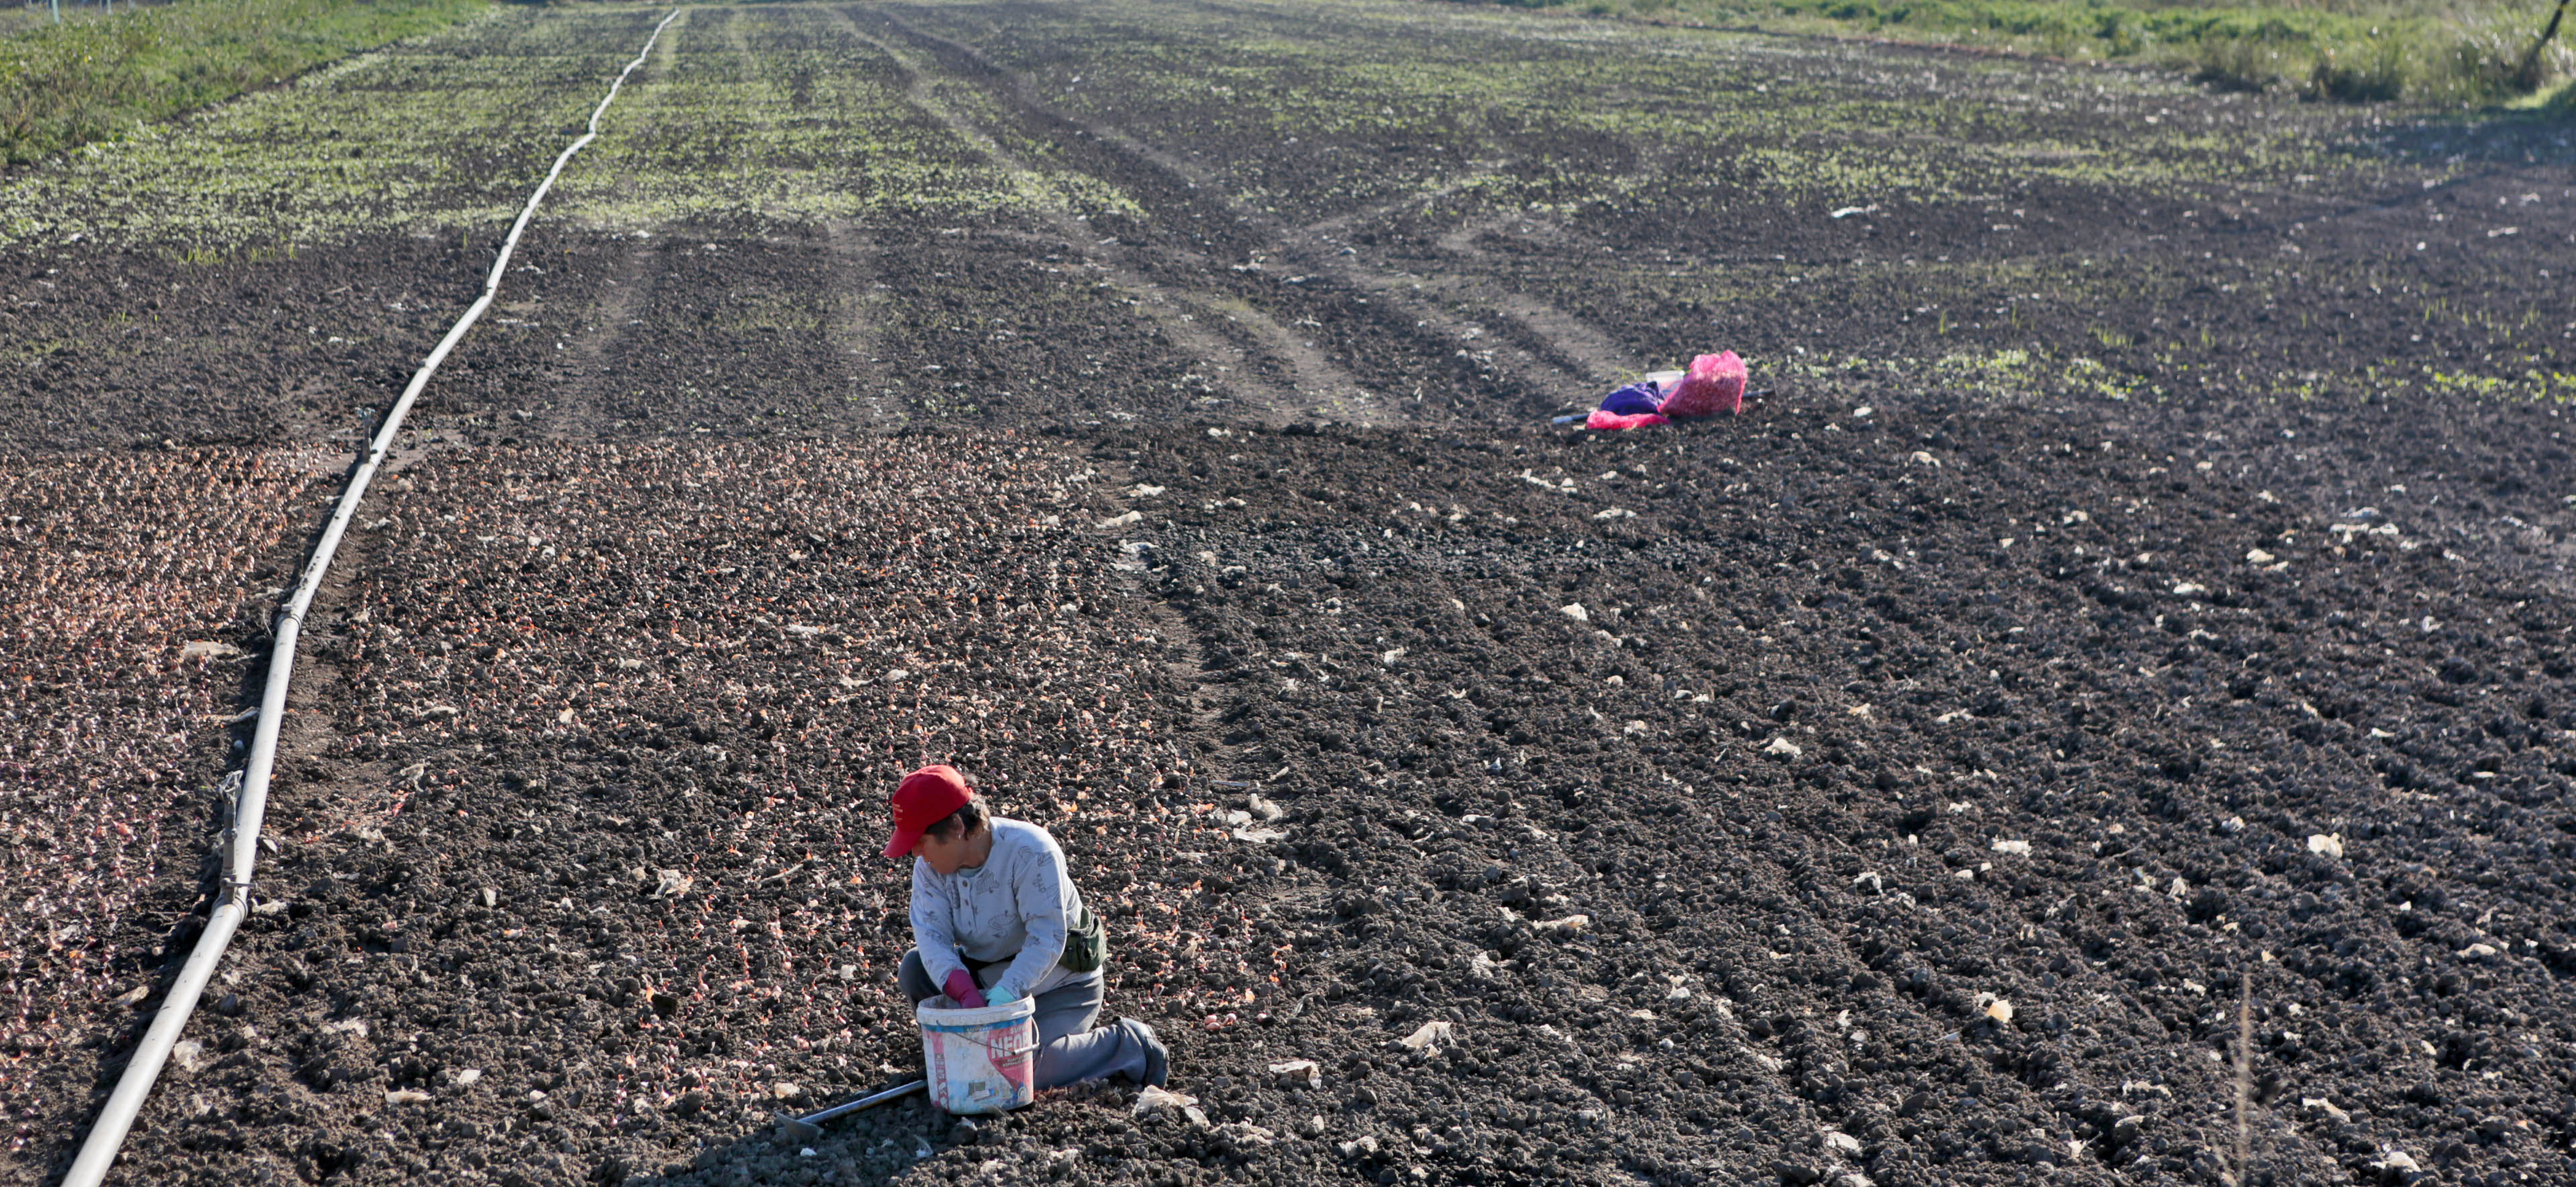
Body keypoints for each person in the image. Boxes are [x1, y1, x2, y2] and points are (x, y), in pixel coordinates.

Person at [884, 764, 1169, 1090]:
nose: (915, 852)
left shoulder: (1031, 852)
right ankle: (967, 1048)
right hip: (985, 976)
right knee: (915, 968)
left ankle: (1127, 1045)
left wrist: (1007, 995)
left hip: (1060, 986)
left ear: (957, 827)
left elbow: (1047, 938)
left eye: (921, 840)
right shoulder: (929, 870)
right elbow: (932, 939)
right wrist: (965, 994)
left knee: (1019, 1069)